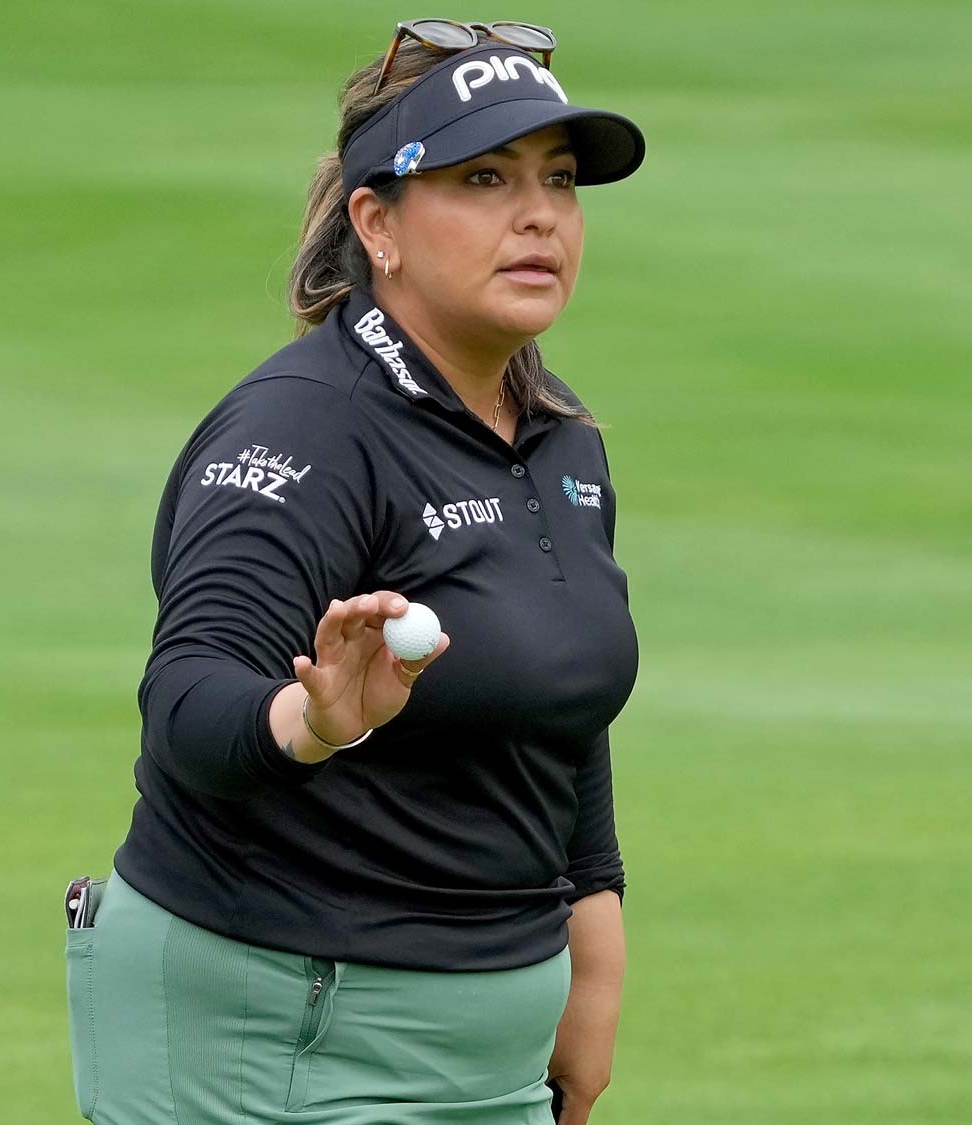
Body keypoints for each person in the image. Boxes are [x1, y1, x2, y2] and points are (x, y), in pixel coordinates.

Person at [64, 20, 646, 1125]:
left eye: (558, 182)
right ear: (376, 223)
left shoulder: (560, 439)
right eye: (482, 178)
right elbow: (186, 701)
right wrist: (310, 719)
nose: (538, 216)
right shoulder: (308, 427)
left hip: (489, 1049)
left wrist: (592, 971)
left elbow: (560, 711)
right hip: (273, 1037)